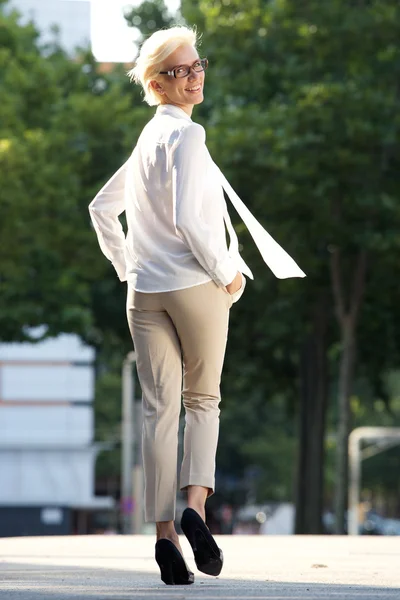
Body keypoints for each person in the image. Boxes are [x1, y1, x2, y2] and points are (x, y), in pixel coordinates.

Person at [89, 25, 305, 586]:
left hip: (146, 293)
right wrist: (227, 274)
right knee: (202, 401)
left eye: (197, 65)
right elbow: (188, 220)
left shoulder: (144, 141)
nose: (194, 77)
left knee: (158, 412)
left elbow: (100, 210)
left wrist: (128, 269)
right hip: (194, 286)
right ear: (157, 84)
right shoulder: (188, 138)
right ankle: (195, 510)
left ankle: (164, 537)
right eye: (180, 71)